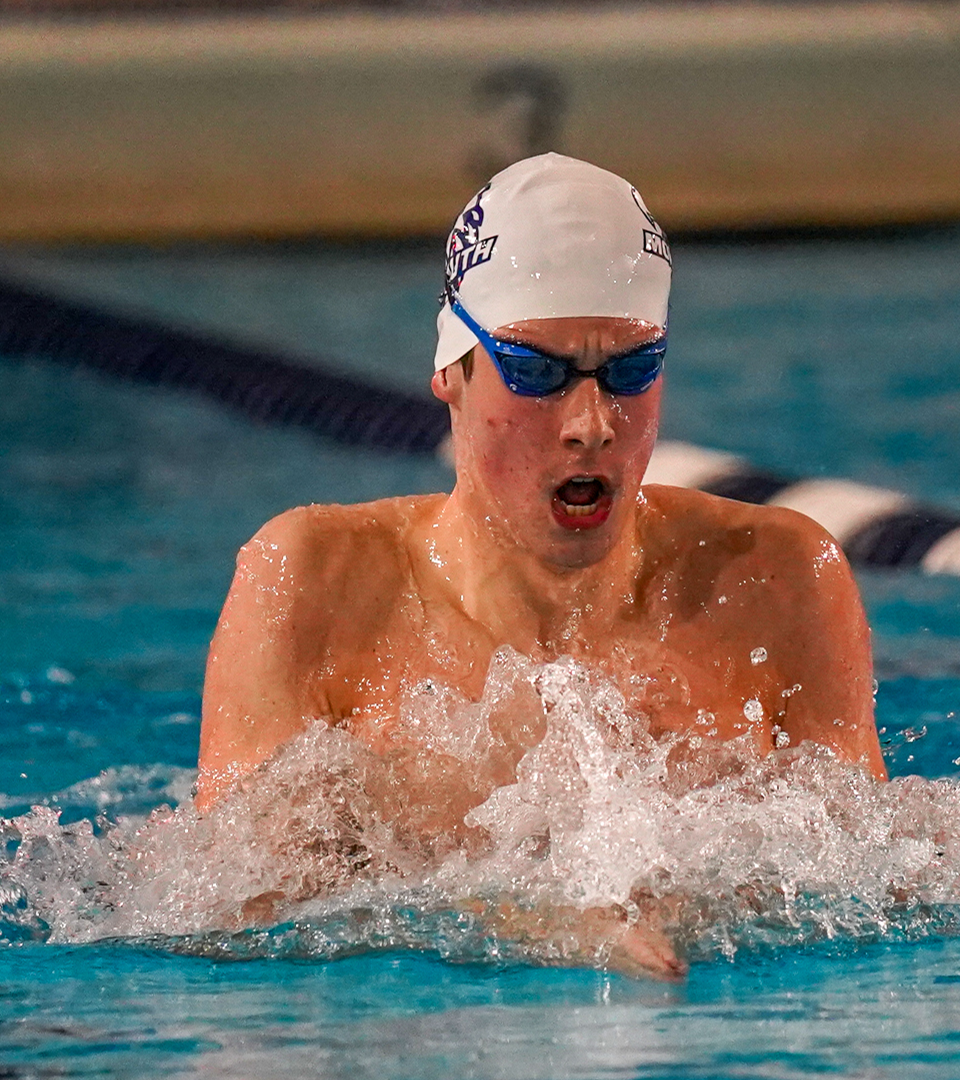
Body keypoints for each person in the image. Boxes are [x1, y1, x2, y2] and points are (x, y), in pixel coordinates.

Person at [196, 154, 884, 978]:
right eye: (534, 371)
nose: (591, 423)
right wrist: (535, 925)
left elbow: (875, 881)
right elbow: (234, 908)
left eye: (631, 370)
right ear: (453, 371)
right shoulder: (314, 579)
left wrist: (697, 904)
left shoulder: (779, 577)